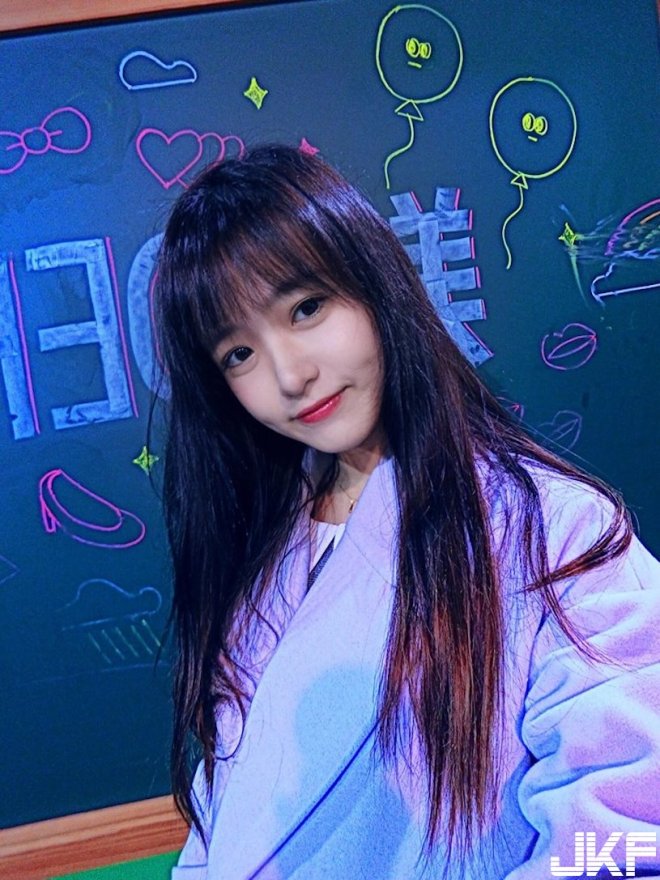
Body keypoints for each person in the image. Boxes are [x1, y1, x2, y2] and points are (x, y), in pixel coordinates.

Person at [154, 144, 660, 880]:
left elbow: (631, 828)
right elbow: (226, 822)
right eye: (238, 354)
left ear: (375, 284)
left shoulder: (554, 530)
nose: (290, 375)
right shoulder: (262, 558)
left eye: (306, 308)